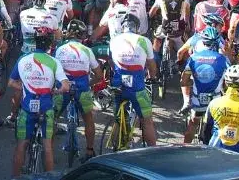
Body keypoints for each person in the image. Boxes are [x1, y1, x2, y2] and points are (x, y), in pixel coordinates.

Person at [9, 27, 70, 175]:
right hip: (46, 107)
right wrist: (55, 91)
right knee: (47, 146)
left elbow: (11, 83)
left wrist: (25, 86)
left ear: (35, 42)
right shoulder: (54, 62)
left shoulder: (23, 59)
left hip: (27, 108)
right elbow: (66, 87)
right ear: (50, 44)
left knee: (21, 145)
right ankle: (49, 177)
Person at [108, 13, 159, 146]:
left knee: (118, 116)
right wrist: (152, 77)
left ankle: (116, 144)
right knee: (147, 121)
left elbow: (111, 62)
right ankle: (153, 151)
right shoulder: (144, 41)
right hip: (136, 86)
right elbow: (151, 64)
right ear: (136, 27)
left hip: (118, 84)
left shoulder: (114, 40)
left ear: (122, 27)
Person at [54, 20, 100, 160]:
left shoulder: (59, 49)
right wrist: (89, 84)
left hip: (63, 89)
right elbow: (99, 75)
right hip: (82, 89)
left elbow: (53, 72)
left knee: (52, 118)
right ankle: (90, 151)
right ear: (82, 35)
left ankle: (47, 150)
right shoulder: (87, 50)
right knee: (88, 119)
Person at [180, 26, 229, 143]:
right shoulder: (223, 59)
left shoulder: (193, 58)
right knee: (217, 128)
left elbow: (183, 81)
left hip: (198, 100)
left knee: (192, 125)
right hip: (216, 101)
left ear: (203, 42)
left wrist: (193, 82)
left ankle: (185, 148)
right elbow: (229, 81)